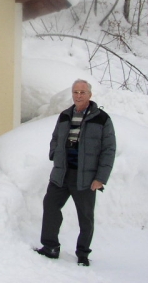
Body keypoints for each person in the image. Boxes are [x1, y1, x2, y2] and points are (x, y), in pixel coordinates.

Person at [36, 79, 116, 267]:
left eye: (82, 92)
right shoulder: (65, 115)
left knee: (85, 217)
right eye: (75, 92)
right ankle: (50, 247)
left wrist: (100, 178)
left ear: (90, 94)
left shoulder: (101, 119)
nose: (78, 96)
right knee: (50, 206)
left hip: (86, 177)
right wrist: (54, 154)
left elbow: (109, 149)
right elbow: (55, 138)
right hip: (61, 173)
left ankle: (82, 253)